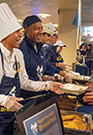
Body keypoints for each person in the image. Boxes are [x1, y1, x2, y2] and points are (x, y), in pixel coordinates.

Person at [0, 3, 63, 135]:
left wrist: (49, 85)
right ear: (5, 34)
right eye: (17, 31)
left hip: (11, 115)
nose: (20, 34)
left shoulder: (18, 54)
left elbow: (24, 82)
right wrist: (4, 100)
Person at [19, 15, 72, 99]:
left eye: (41, 28)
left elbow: (46, 65)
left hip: (41, 93)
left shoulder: (39, 47)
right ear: (27, 31)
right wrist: (41, 79)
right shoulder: (21, 49)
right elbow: (22, 80)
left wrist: (62, 73)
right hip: (27, 97)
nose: (40, 32)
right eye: (36, 28)